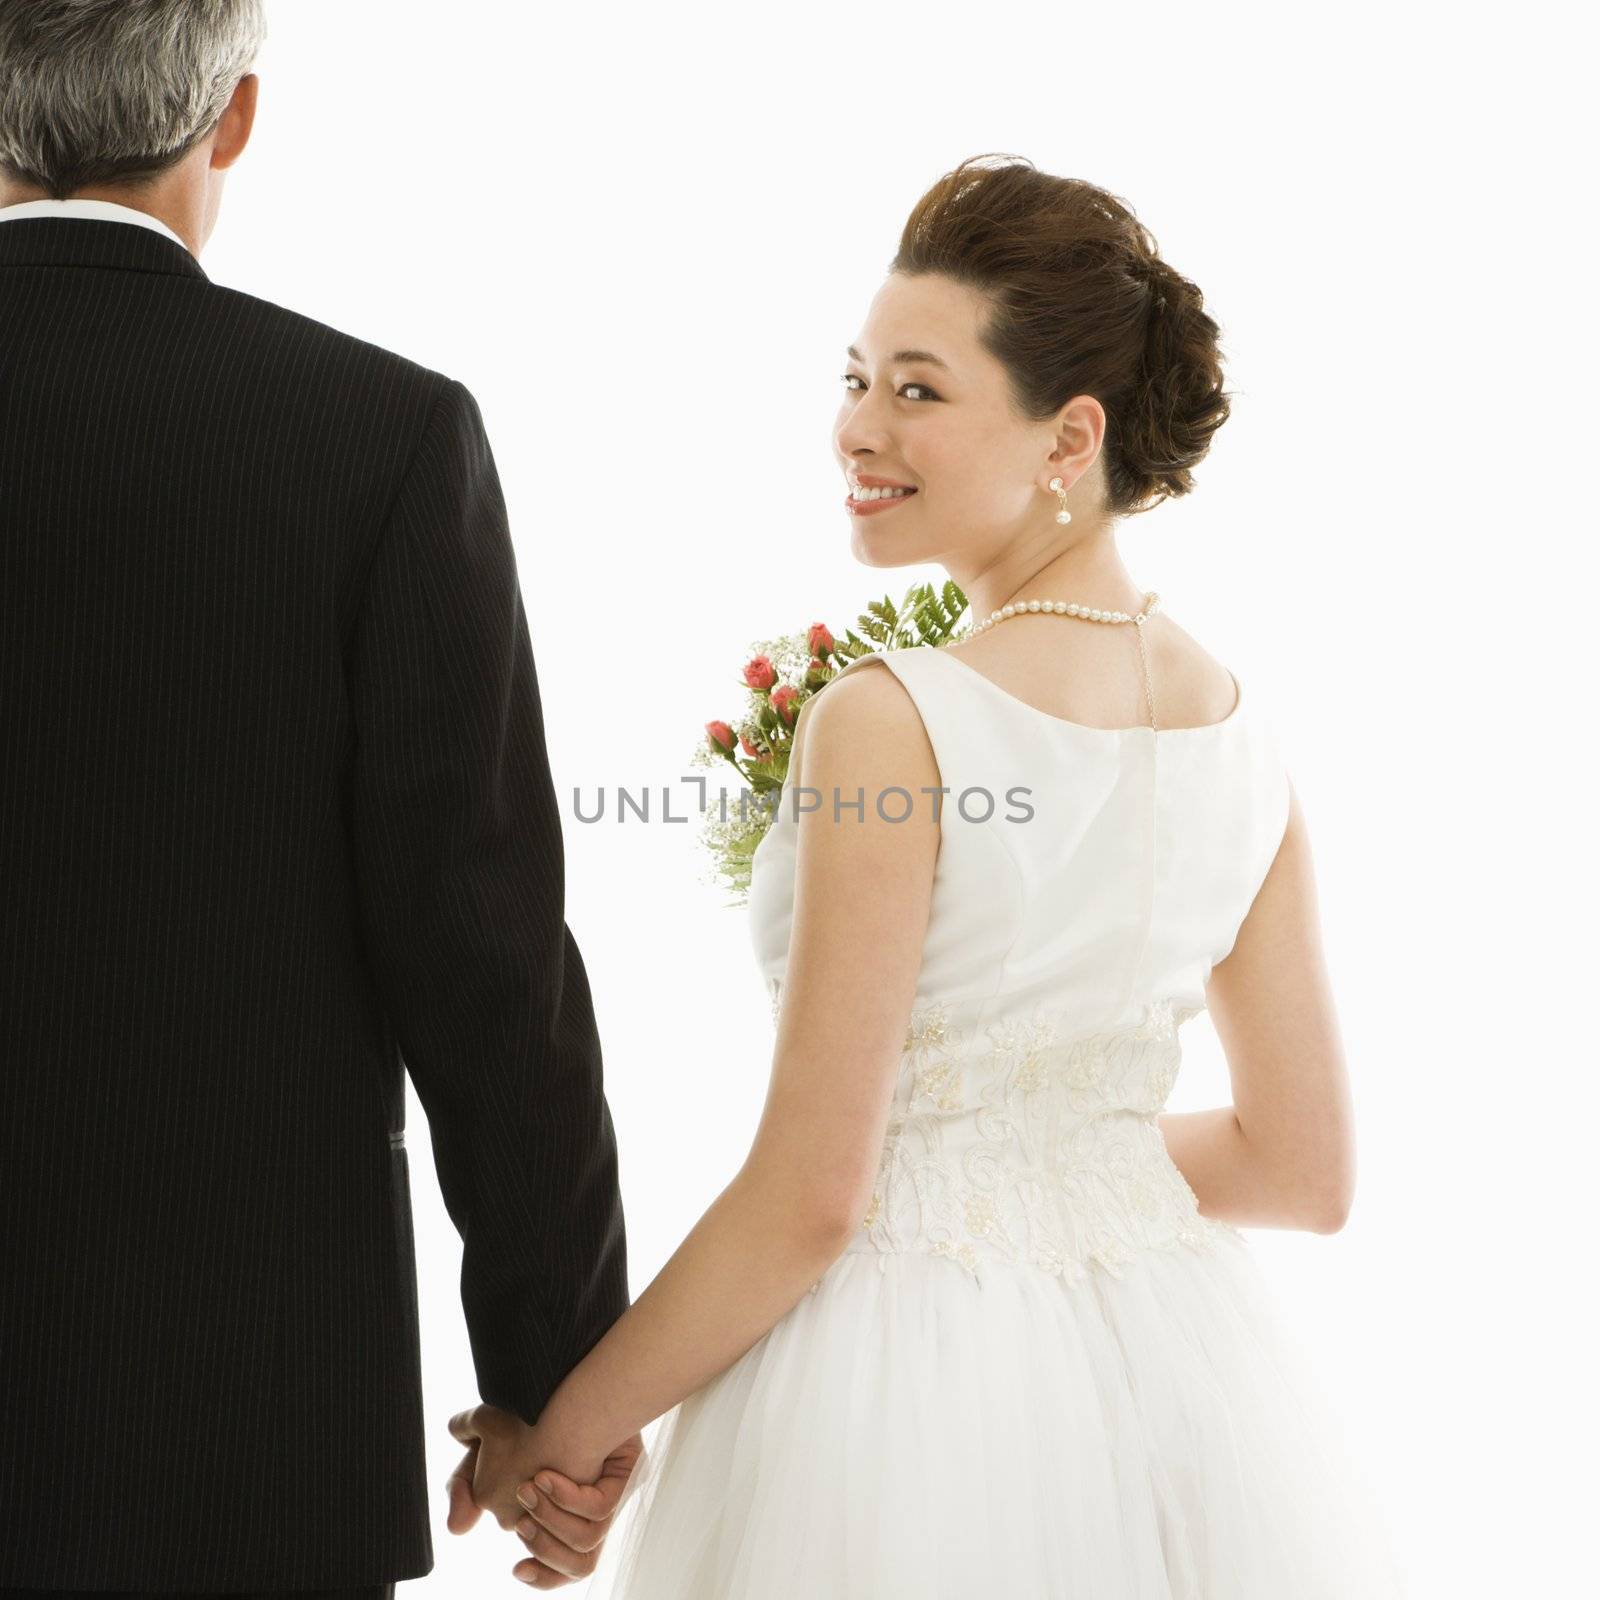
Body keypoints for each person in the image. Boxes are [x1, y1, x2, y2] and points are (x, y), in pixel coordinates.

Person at [484, 155, 1408, 1595]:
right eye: (854, 378)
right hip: (1163, 1391)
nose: (857, 425)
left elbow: (813, 1193)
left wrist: (568, 1434)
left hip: (895, 1405)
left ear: (1069, 436)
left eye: (918, 390)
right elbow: (1304, 1170)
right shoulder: (1242, 736)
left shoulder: (896, 714)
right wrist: (1054, 1160)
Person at [0, 3, 639, 1594]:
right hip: (243, 1416)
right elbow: (483, 950)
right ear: (232, 120)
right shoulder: (379, 437)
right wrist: (558, 1389)